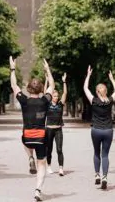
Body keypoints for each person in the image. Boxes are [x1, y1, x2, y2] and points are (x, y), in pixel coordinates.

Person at [10, 56, 54, 202]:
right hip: (41, 137)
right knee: (42, 163)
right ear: (41, 89)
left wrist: (12, 69)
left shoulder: (24, 100)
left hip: (27, 137)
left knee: (22, 138)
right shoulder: (45, 101)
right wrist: (48, 70)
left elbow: (14, 86)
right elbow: (52, 86)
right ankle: (38, 190)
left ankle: (29, 157)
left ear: (29, 88)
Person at [83, 66, 115, 190]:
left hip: (96, 130)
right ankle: (105, 177)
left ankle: (97, 175)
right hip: (108, 130)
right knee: (105, 155)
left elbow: (85, 88)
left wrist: (88, 75)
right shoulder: (109, 101)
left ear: (97, 92)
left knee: (96, 152)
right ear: (105, 91)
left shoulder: (94, 101)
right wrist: (112, 79)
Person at [45, 73, 67, 176]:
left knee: (59, 149)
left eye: (57, 96)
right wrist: (46, 81)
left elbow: (65, 93)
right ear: (51, 97)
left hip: (58, 129)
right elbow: (45, 93)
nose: (56, 97)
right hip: (49, 129)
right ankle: (48, 166)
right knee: (49, 149)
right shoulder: (47, 104)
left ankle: (61, 168)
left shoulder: (60, 104)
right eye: (54, 96)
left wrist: (64, 82)